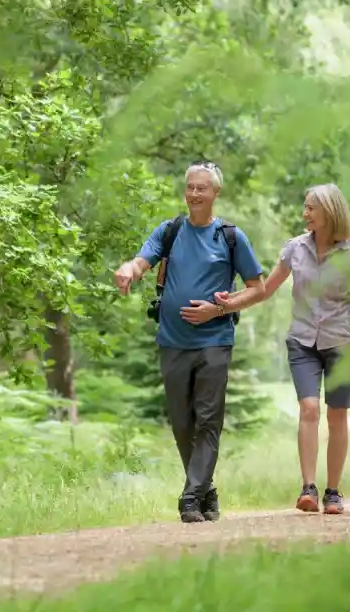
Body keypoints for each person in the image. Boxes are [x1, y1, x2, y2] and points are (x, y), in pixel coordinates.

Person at [113, 160, 264, 524]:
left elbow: (257, 289)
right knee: (183, 422)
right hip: (173, 341)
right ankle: (206, 490)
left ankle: (190, 498)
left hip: (215, 340)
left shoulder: (230, 237)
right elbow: (141, 261)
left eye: (202, 188)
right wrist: (128, 270)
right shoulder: (170, 230)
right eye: (190, 187)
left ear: (216, 193)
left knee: (208, 420)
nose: (194, 194)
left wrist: (216, 310)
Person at [215, 183, 350, 515]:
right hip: (302, 341)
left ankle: (333, 492)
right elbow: (265, 290)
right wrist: (229, 303)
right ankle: (308, 488)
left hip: (341, 341)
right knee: (309, 408)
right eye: (305, 207)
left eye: (311, 208)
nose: (305, 214)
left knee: (338, 414)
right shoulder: (294, 249)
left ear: (329, 211)